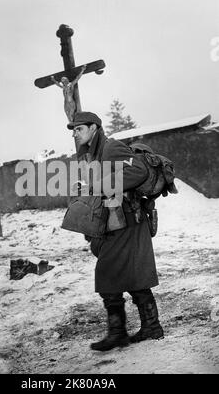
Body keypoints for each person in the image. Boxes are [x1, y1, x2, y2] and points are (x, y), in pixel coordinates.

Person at [67, 111, 164, 352]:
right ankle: (151, 326)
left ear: (94, 128)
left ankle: (118, 332)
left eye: (79, 128)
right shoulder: (93, 154)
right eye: (74, 130)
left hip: (128, 220)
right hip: (116, 221)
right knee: (129, 273)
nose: (75, 133)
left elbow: (138, 172)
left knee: (108, 271)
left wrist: (101, 185)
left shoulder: (110, 148)